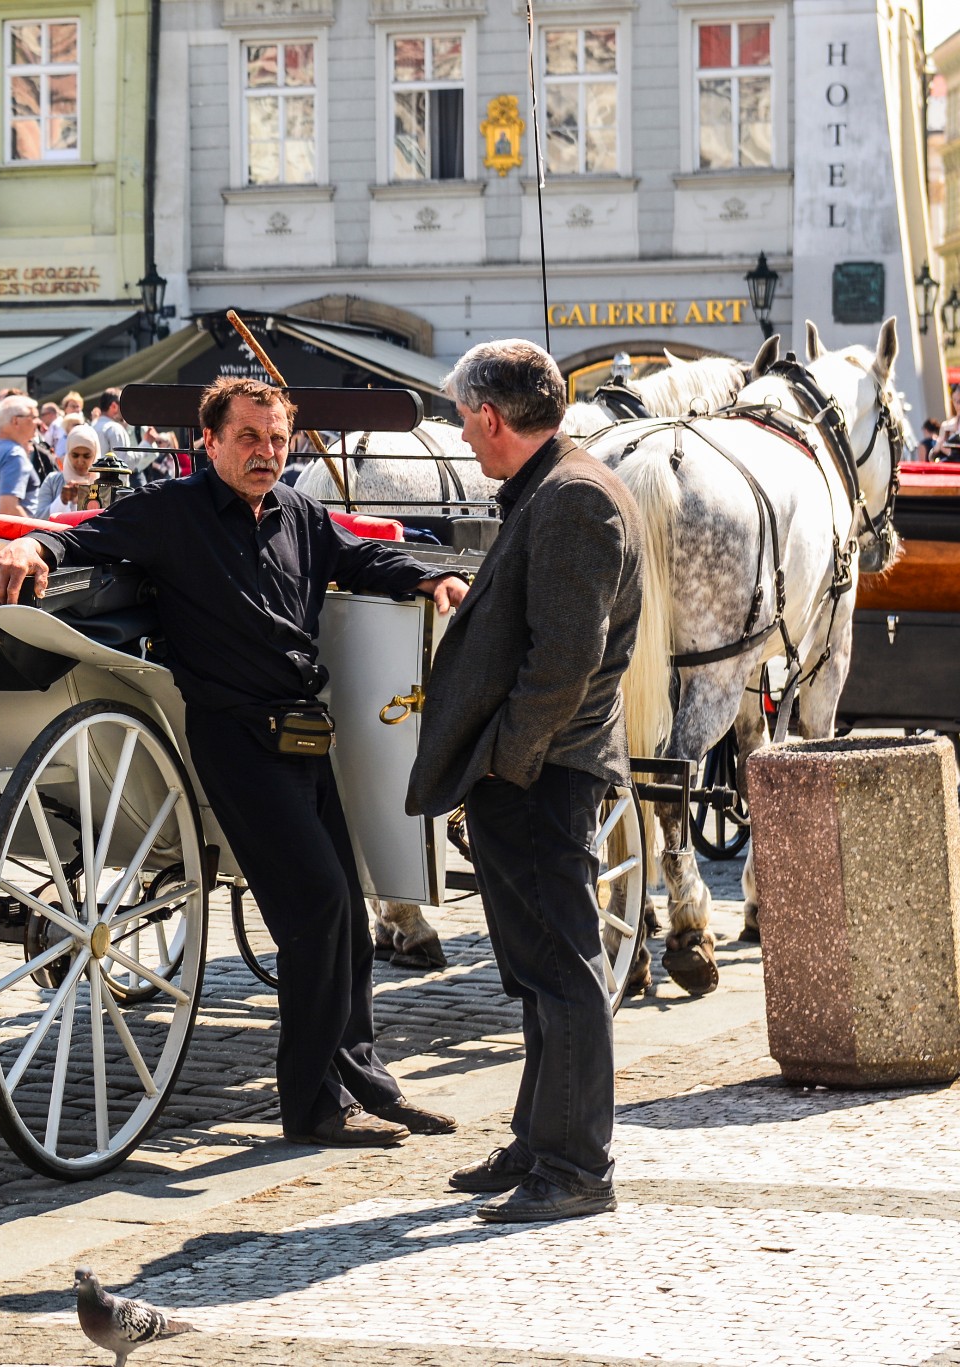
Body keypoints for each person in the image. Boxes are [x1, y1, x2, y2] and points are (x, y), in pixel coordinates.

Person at [0, 377, 468, 1147]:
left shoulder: (301, 515)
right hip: (233, 738)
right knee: (315, 910)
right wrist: (29, 543)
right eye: (249, 437)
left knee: (344, 911)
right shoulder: (172, 514)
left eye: (277, 440)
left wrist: (430, 576)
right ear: (209, 441)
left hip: (307, 737)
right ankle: (311, 1107)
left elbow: (364, 557)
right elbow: (82, 537)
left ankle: (365, 1081)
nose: (266, 453)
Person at [407, 339, 642, 1224]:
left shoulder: (573, 495)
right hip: (538, 764)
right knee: (538, 967)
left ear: (490, 416)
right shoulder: (557, 485)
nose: (463, 435)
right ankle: (543, 1139)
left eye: (465, 418)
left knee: (562, 969)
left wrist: (507, 757)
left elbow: (567, 661)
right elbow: (548, 630)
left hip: (545, 769)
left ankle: (578, 1164)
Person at [0, 394, 42, 516]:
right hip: (13, 533)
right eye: (33, 417)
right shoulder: (14, 454)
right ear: (16, 421)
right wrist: (36, 532)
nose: (38, 422)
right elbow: (9, 509)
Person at [32, 424, 104, 516]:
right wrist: (62, 500)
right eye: (75, 455)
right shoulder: (53, 481)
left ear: (95, 455)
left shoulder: (103, 485)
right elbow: (38, 518)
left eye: (86, 456)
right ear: (68, 453)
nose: (80, 461)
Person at [93, 387, 134, 460]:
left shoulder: (92, 426)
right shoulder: (115, 429)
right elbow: (125, 462)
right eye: (124, 405)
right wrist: (147, 443)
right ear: (114, 406)